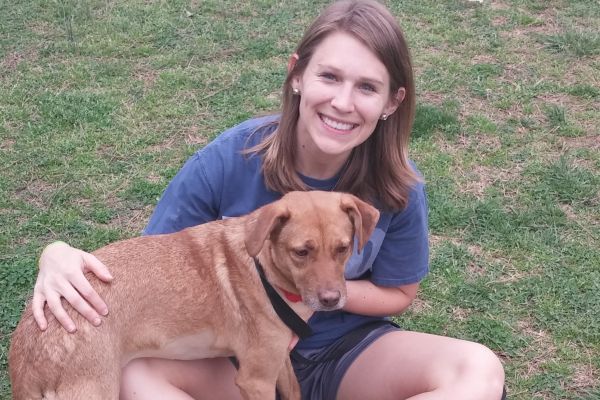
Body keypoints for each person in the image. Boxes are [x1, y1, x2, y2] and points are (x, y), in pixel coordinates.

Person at [31, 1, 506, 399]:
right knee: (134, 377)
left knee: (478, 370)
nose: (343, 102)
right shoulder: (227, 158)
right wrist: (54, 253)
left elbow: (400, 295)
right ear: (297, 75)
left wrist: (312, 293)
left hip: (348, 350)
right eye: (330, 77)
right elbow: (156, 265)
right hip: (234, 360)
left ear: (391, 102)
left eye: (366, 87)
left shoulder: (398, 186)